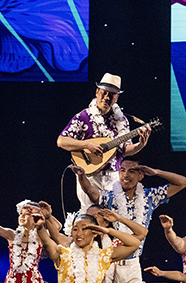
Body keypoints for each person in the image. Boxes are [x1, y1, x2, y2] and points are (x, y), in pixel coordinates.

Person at [57, 73, 151, 209]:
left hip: (113, 176)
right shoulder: (83, 116)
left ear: (116, 98)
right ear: (97, 92)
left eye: (112, 95)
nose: (107, 98)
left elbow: (124, 151)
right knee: (88, 214)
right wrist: (86, 144)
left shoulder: (122, 120)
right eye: (104, 93)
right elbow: (61, 141)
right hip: (89, 175)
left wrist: (140, 145)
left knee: (113, 215)